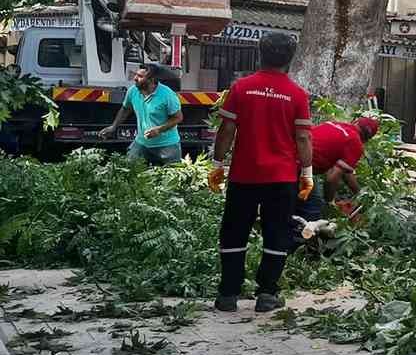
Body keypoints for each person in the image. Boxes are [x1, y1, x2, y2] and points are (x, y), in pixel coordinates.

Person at [207, 31, 312, 314]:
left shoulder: (241, 88)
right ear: (290, 59)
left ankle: (228, 295)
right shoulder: (298, 95)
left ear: (259, 54)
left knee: (234, 232)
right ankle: (267, 294)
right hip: (281, 178)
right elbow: (302, 138)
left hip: (244, 176)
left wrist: (217, 164)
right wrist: (308, 173)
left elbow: (227, 130)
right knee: (276, 233)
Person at [99, 63, 184, 165]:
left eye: (140, 76)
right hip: (142, 142)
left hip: (167, 145)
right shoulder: (133, 91)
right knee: (129, 169)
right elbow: (125, 109)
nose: (135, 78)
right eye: (136, 74)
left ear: (152, 80)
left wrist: (159, 129)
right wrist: (114, 126)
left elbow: (178, 118)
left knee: (172, 177)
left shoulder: (167, 95)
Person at [301, 116, 379, 222]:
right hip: (298, 167)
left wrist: (360, 194)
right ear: (367, 139)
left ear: (355, 122)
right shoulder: (355, 142)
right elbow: (331, 179)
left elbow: (346, 172)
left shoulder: (334, 124)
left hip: (287, 157)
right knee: (315, 207)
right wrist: (329, 203)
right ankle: (303, 236)